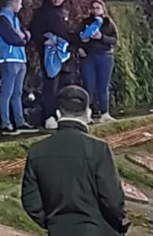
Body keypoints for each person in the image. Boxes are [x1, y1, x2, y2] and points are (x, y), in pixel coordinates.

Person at [21, 86, 130, 236]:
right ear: (88, 114)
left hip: (58, 230)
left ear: (58, 114)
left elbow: (31, 201)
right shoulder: (99, 149)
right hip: (99, 229)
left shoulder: (37, 151)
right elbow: (112, 199)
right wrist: (120, 223)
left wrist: (52, 223)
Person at [31, 0, 73, 129]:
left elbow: (68, 33)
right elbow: (34, 31)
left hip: (65, 56)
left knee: (64, 85)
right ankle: (49, 116)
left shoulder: (65, 12)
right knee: (50, 87)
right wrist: (44, 41)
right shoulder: (42, 13)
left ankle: (62, 114)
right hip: (49, 56)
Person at [0, 0, 36, 135]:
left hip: (19, 58)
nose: (21, 6)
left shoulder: (14, 19)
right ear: (13, 2)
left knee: (17, 92)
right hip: (8, 58)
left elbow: (26, 34)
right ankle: (5, 123)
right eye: (19, 3)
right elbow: (13, 38)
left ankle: (19, 122)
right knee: (7, 92)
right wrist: (23, 38)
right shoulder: (2, 19)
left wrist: (23, 36)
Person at [78, 0, 119, 123]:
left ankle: (104, 113)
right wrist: (80, 48)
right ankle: (86, 113)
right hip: (88, 57)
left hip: (104, 56)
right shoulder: (85, 22)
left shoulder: (108, 23)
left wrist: (102, 37)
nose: (95, 10)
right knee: (88, 85)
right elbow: (76, 37)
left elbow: (114, 40)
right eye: (93, 8)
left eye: (98, 8)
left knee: (103, 86)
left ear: (103, 9)